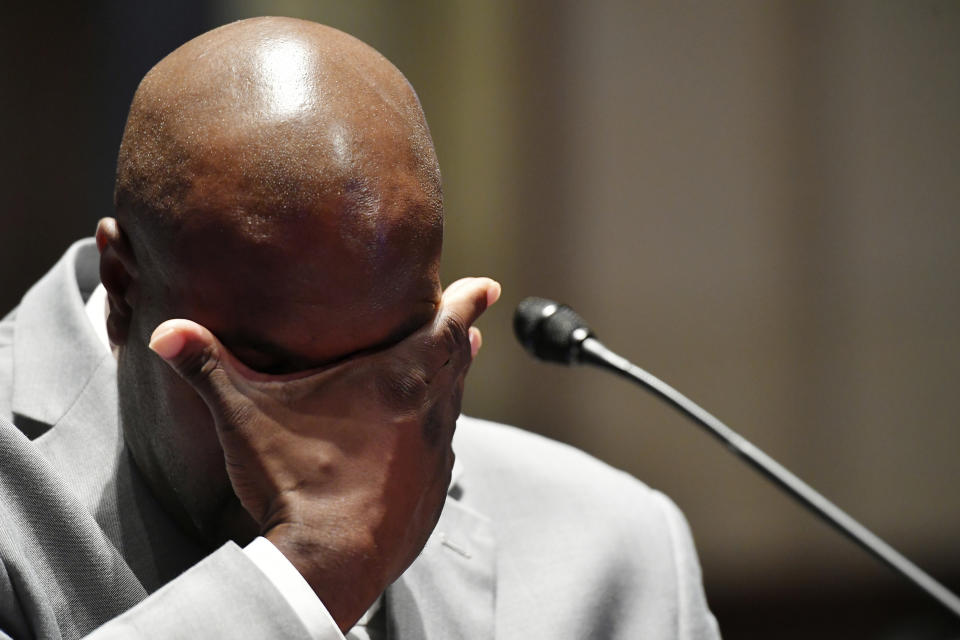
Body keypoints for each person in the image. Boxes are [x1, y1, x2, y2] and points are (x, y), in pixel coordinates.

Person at [0, 16, 720, 640]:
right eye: (269, 370)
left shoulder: (614, 550)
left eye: (392, 363)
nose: (344, 447)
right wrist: (312, 572)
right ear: (126, 288)